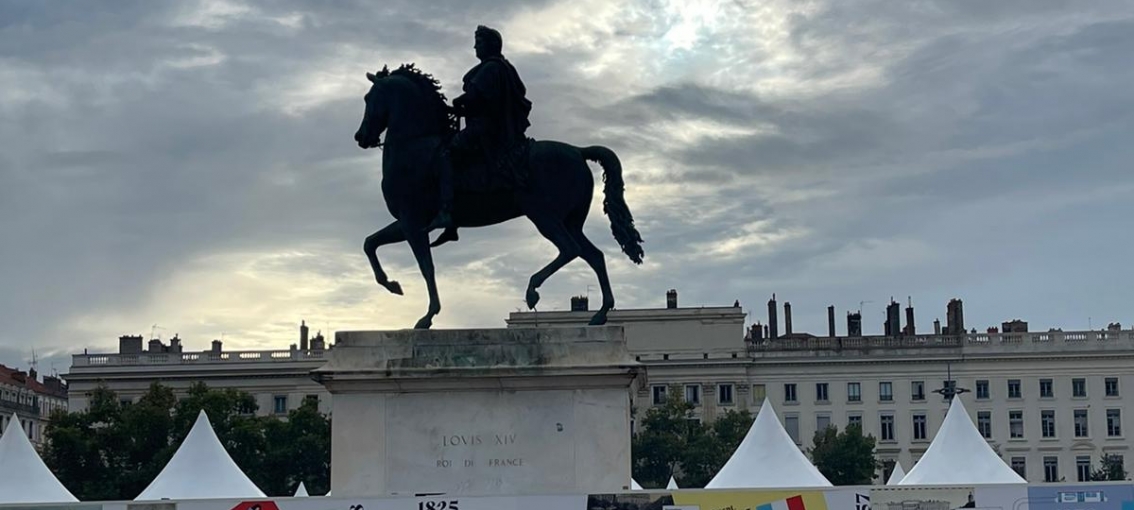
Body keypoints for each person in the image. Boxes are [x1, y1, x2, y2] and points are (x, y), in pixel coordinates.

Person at [429, 25, 533, 233]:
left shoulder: (491, 68)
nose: (475, 47)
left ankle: (447, 211)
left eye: (479, 43)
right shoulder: (503, 67)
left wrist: (460, 102)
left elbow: (477, 96)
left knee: (445, 154)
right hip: (490, 125)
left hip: (484, 127)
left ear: (491, 45)